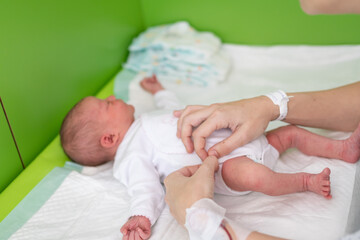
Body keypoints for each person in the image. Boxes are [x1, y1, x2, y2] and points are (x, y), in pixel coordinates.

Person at [60, 75, 360, 240]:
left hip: (247, 139)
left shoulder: (146, 119)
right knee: (252, 176)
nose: (113, 98)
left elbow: (178, 109)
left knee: (291, 132)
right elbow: (144, 187)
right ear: (109, 138)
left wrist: (160, 89)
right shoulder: (129, 155)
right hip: (224, 167)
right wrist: (140, 216)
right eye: (106, 104)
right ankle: (305, 181)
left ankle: (341, 149)